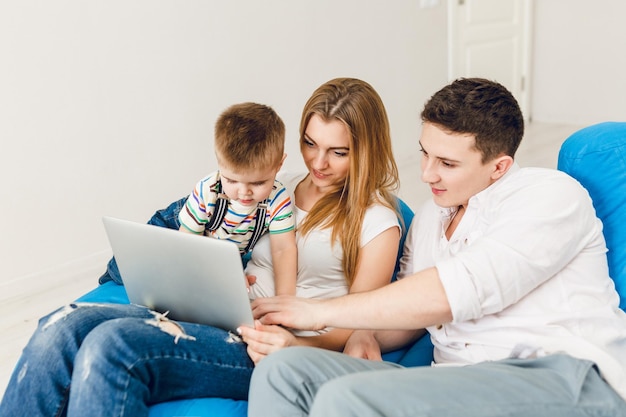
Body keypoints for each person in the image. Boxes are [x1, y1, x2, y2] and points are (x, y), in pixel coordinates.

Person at [0, 77, 403, 416]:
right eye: (310, 143)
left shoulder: (377, 222)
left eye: (338, 152)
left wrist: (295, 342)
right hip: (217, 310)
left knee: (114, 346)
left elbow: (360, 322)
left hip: (263, 342)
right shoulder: (277, 184)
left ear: (367, 150)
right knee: (61, 325)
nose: (318, 163)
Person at [247, 78, 626, 417]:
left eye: (446, 163)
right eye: (424, 153)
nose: (426, 173)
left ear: (499, 166)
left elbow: (455, 290)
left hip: (563, 377)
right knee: (282, 371)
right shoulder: (431, 217)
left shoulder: (548, 195)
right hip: (458, 381)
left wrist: (317, 313)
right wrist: (362, 333)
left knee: (346, 399)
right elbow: (411, 318)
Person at [178, 102, 297, 296]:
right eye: (232, 180)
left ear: (279, 164)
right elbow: (187, 244)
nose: (244, 192)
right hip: (185, 228)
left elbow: (283, 250)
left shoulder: (277, 199)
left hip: (233, 251)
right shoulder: (207, 190)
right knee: (130, 268)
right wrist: (223, 270)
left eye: (258, 183)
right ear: (219, 162)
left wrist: (285, 299)